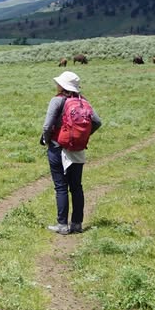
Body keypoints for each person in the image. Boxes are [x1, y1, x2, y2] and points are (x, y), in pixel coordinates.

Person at [40, 70, 102, 234]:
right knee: (76, 187)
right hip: (77, 149)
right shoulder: (83, 101)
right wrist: (82, 136)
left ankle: (62, 225)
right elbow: (97, 122)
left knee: (61, 187)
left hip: (57, 147)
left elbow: (47, 126)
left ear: (61, 85)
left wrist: (46, 140)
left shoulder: (57, 100)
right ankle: (77, 224)